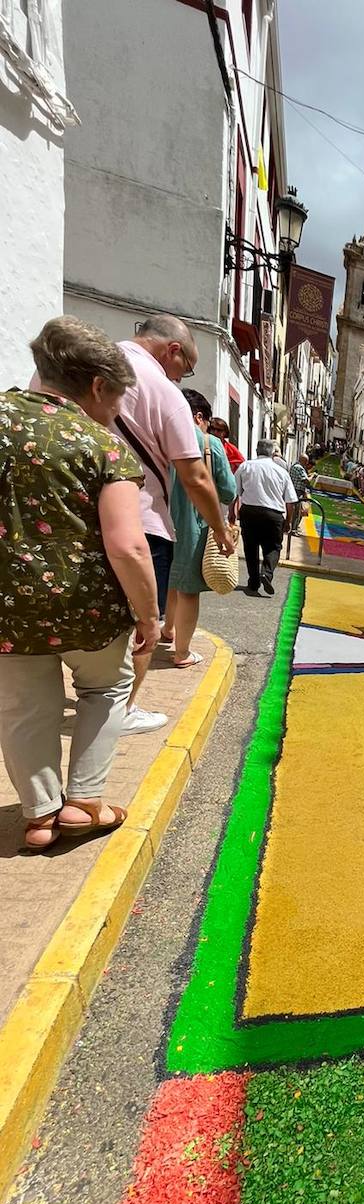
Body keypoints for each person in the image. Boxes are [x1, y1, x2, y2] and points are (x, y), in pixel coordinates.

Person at [0, 316, 161, 850]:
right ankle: (84, 802)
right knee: (106, 687)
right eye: (117, 401)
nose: (116, 414)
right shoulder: (102, 446)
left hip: (7, 608)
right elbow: (128, 545)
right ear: (96, 387)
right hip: (87, 609)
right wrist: (148, 615)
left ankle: (41, 815)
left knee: (24, 704)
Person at [114, 315, 231, 733]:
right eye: (186, 368)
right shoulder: (163, 390)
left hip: (86, 511)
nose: (181, 377)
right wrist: (221, 527)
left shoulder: (94, 365)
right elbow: (198, 477)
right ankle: (123, 707)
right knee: (145, 618)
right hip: (146, 519)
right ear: (173, 350)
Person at [163, 389, 237, 669]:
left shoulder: (159, 435)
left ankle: (168, 629)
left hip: (156, 519)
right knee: (188, 589)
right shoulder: (209, 444)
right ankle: (181, 652)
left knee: (170, 577)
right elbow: (228, 491)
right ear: (199, 417)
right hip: (191, 523)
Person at [236, 439, 296, 596]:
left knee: (250, 547)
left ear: (257, 451)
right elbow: (290, 502)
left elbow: (235, 492)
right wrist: (288, 521)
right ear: (273, 453)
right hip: (273, 514)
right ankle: (266, 574)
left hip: (249, 511)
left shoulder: (245, 466)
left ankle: (254, 582)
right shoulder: (282, 472)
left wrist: (231, 513)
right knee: (273, 547)